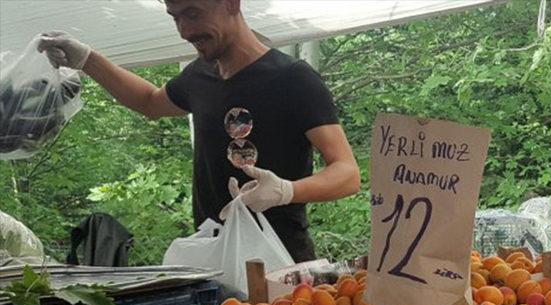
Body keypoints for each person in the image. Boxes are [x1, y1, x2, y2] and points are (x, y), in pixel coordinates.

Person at [36, 0, 360, 262]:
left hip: (281, 264)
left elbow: (347, 174)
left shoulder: (292, 79)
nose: (185, 30)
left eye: (193, 13)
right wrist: (88, 59)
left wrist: (285, 191)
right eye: (175, 17)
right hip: (213, 259)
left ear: (231, 4)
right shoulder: (199, 76)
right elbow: (149, 102)